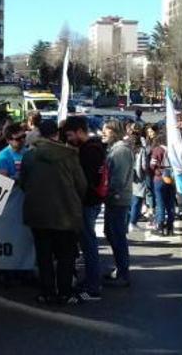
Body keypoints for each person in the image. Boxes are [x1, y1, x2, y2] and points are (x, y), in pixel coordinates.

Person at [21, 120, 86, 305]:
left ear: (40, 134)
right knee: (66, 255)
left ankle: (47, 291)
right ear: (57, 134)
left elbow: (23, 183)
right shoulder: (70, 155)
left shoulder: (29, 156)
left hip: (38, 213)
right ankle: (65, 292)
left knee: (44, 255)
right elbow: (81, 185)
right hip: (66, 212)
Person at [62, 116, 105, 301]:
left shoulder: (88, 152)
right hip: (91, 202)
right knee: (88, 244)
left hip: (87, 203)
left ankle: (93, 286)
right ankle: (91, 280)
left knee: (88, 244)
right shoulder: (94, 148)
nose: (69, 139)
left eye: (70, 135)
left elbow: (84, 182)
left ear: (80, 131)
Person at [102, 120, 134, 287]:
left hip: (118, 199)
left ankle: (123, 273)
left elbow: (118, 178)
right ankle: (120, 268)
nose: (102, 134)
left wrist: (108, 192)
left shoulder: (120, 151)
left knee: (117, 235)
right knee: (111, 233)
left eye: (105, 131)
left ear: (114, 132)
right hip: (115, 198)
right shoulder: (116, 149)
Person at [149, 127, 175, 236]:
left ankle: (160, 226)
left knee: (160, 204)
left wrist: (155, 171)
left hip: (159, 178)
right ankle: (170, 227)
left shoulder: (157, 150)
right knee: (170, 204)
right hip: (171, 178)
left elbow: (152, 165)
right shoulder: (173, 149)